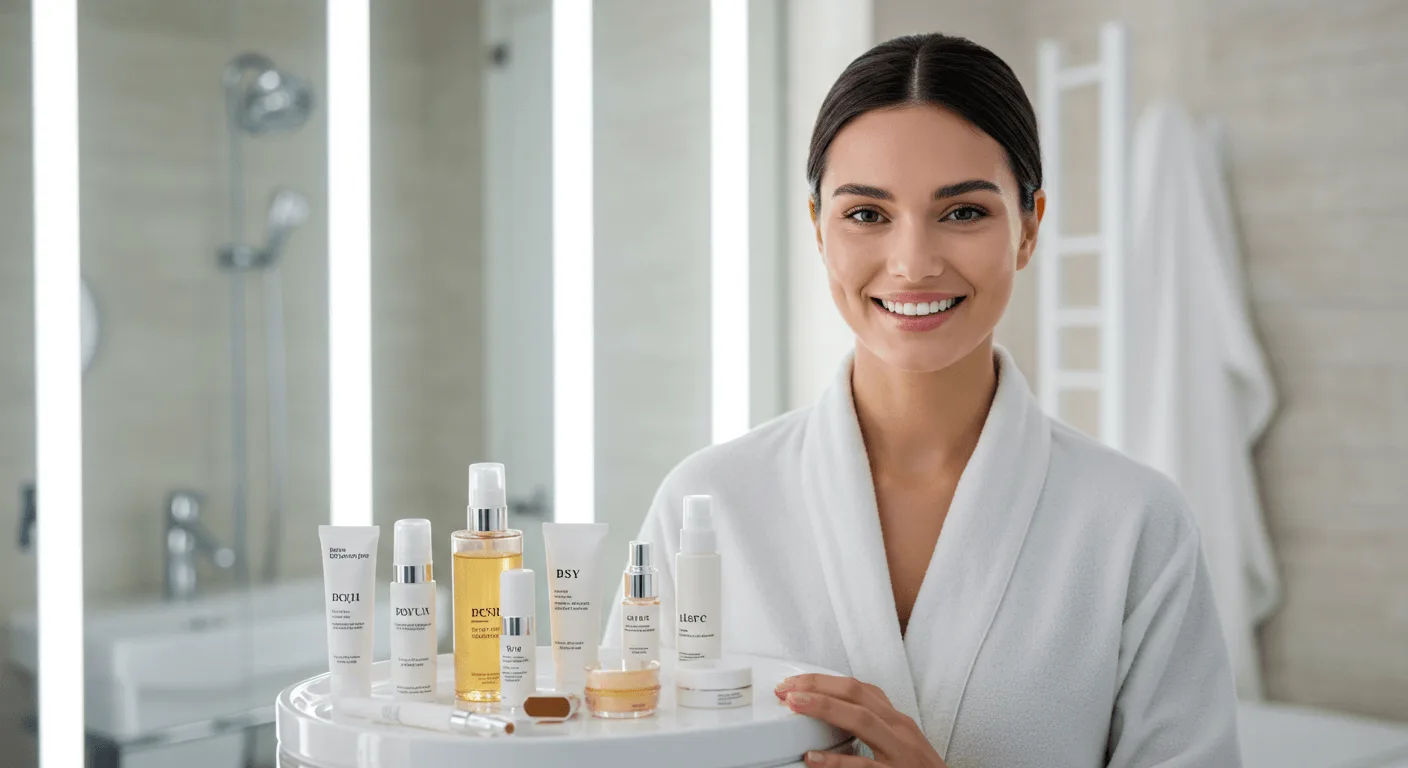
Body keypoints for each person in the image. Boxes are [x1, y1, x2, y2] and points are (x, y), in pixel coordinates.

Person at [606, 32, 1240, 767]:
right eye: (867, 215)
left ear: (1029, 226)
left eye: (964, 212)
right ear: (817, 229)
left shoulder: (1135, 524)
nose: (913, 263)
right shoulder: (706, 502)